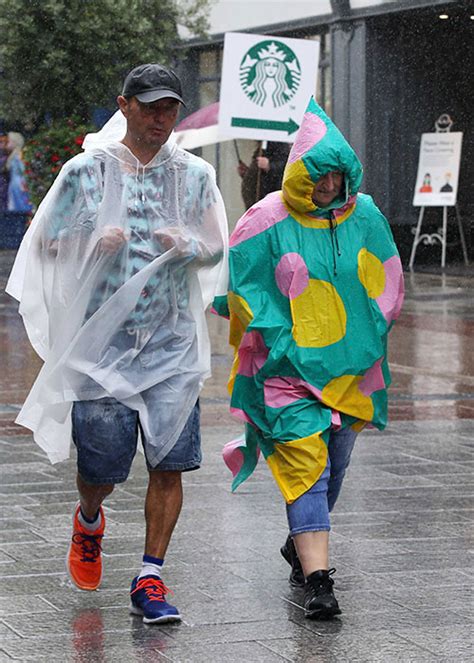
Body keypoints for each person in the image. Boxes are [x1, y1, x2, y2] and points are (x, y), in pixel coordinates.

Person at [6, 63, 228, 623]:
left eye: (171, 107)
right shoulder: (85, 171)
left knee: (170, 463)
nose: (161, 118)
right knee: (102, 468)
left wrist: (189, 244)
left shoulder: (196, 175)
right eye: (150, 106)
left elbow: (214, 246)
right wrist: (89, 240)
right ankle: (88, 517)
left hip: (172, 343)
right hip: (100, 345)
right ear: (123, 105)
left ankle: (150, 576)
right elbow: (45, 245)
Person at [214, 98, 404, 620]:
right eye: (318, 176)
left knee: (335, 461)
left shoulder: (363, 214)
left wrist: (371, 334)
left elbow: (386, 276)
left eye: (337, 176)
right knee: (308, 466)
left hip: (348, 370)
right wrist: (278, 338)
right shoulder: (266, 216)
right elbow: (243, 284)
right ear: (299, 174)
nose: (327, 186)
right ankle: (318, 580)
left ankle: (301, 541)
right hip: (287, 373)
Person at [237, 140, 291, 209]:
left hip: (265, 202)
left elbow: (284, 167)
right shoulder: (262, 147)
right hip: (255, 202)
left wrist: (269, 166)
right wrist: (247, 173)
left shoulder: (279, 145)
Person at [6, 131, 33, 213]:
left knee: (21, 205)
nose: (7, 144)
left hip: (19, 184)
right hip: (16, 183)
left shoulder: (19, 155)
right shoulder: (14, 155)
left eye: (9, 141)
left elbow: (23, 169)